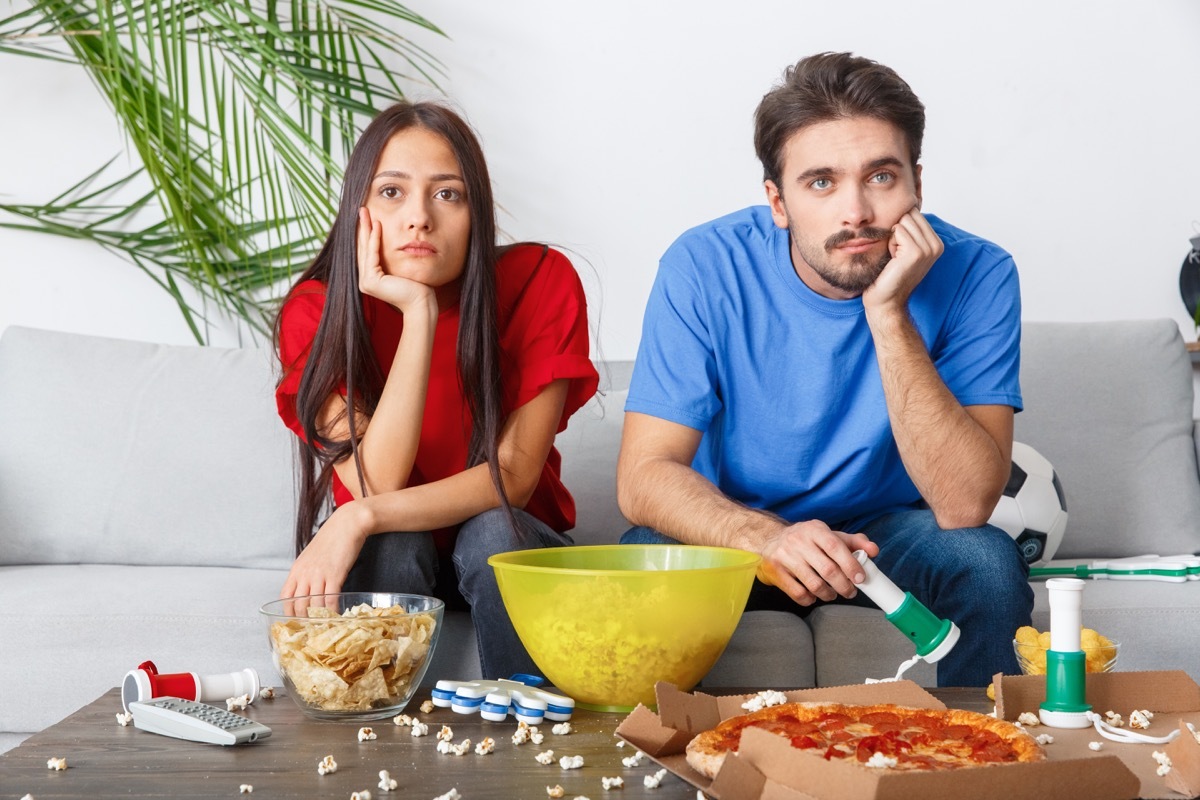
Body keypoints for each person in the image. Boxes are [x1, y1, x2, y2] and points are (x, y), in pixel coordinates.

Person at [616, 52, 1031, 687]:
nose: (856, 213)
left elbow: (965, 504)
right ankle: (666, 771)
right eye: (821, 183)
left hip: (885, 539)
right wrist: (766, 540)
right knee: (643, 555)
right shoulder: (702, 266)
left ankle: (978, 767)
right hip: (738, 534)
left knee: (986, 561)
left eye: (881, 177)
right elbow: (644, 477)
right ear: (777, 203)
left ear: (916, 184)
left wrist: (888, 312)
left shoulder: (979, 271)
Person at [273, 100, 599, 680]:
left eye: (447, 194)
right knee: (396, 543)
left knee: (492, 531)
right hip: (388, 551)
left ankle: (530, 737)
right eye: (392, 192)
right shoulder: (316, 312)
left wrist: (354, 518)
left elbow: (513, 478)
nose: (419, 217)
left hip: (509, 545)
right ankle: (381, 743)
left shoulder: (539, 280)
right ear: (359, 210)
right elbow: (379, 480)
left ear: (476, 212)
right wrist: (417, 312)